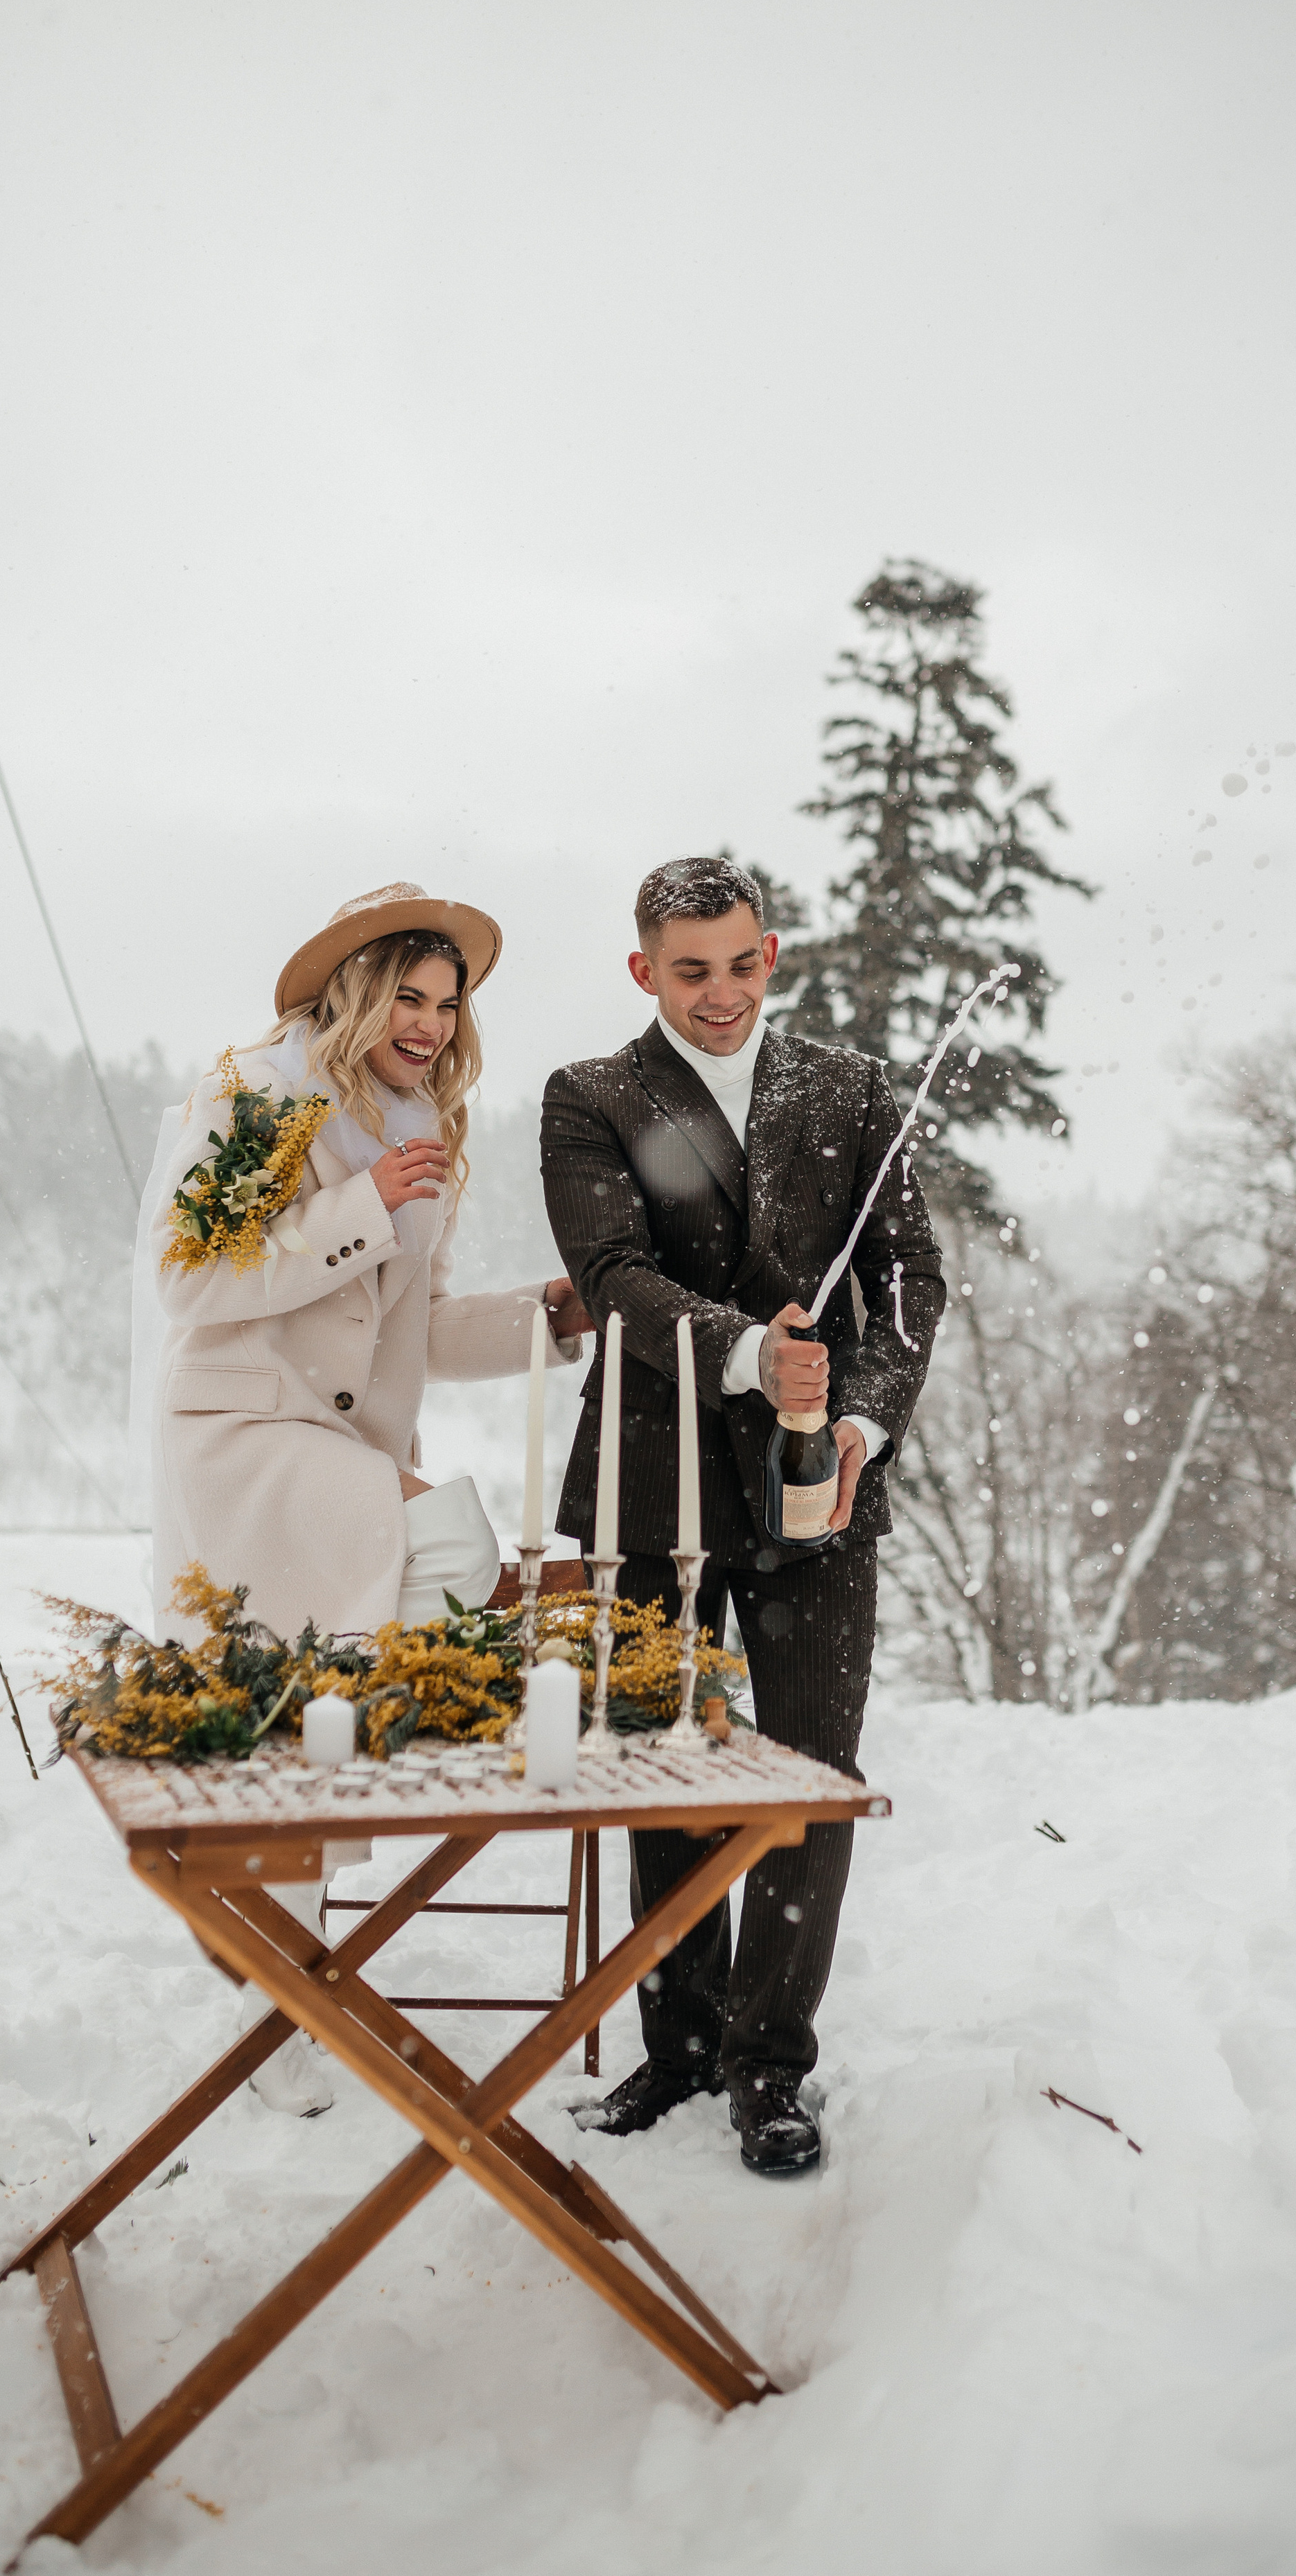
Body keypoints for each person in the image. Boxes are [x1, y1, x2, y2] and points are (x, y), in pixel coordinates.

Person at [139, 879, 590, 2111]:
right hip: (242, 1429)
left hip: (332, 1444)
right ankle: (282, 1914)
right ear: (354, 991)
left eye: (449, 1003)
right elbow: (194, 1283)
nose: (432, 1022)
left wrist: (547, 1321)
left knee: (300, 1711)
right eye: (409, 993)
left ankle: (276, 1980)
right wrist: (361, 1202)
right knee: (449, 1541)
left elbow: (424, 1330)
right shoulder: (261, 1091)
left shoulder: (425, 1126)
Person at [541, 856, 943, 2173]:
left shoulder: (855, 1088)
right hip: (648, 1482)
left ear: (773, 954)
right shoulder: (591, 1098)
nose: (721, 993)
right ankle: (682, 2045)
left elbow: (909, 1286)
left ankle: (772, 2066)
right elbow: (610, 1275)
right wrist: (742, 1354)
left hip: (816, 1487)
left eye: (741, 963)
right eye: (690, 969)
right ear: (646, 969)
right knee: (660, 1764)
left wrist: (857, 1426)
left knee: (810, 1776)